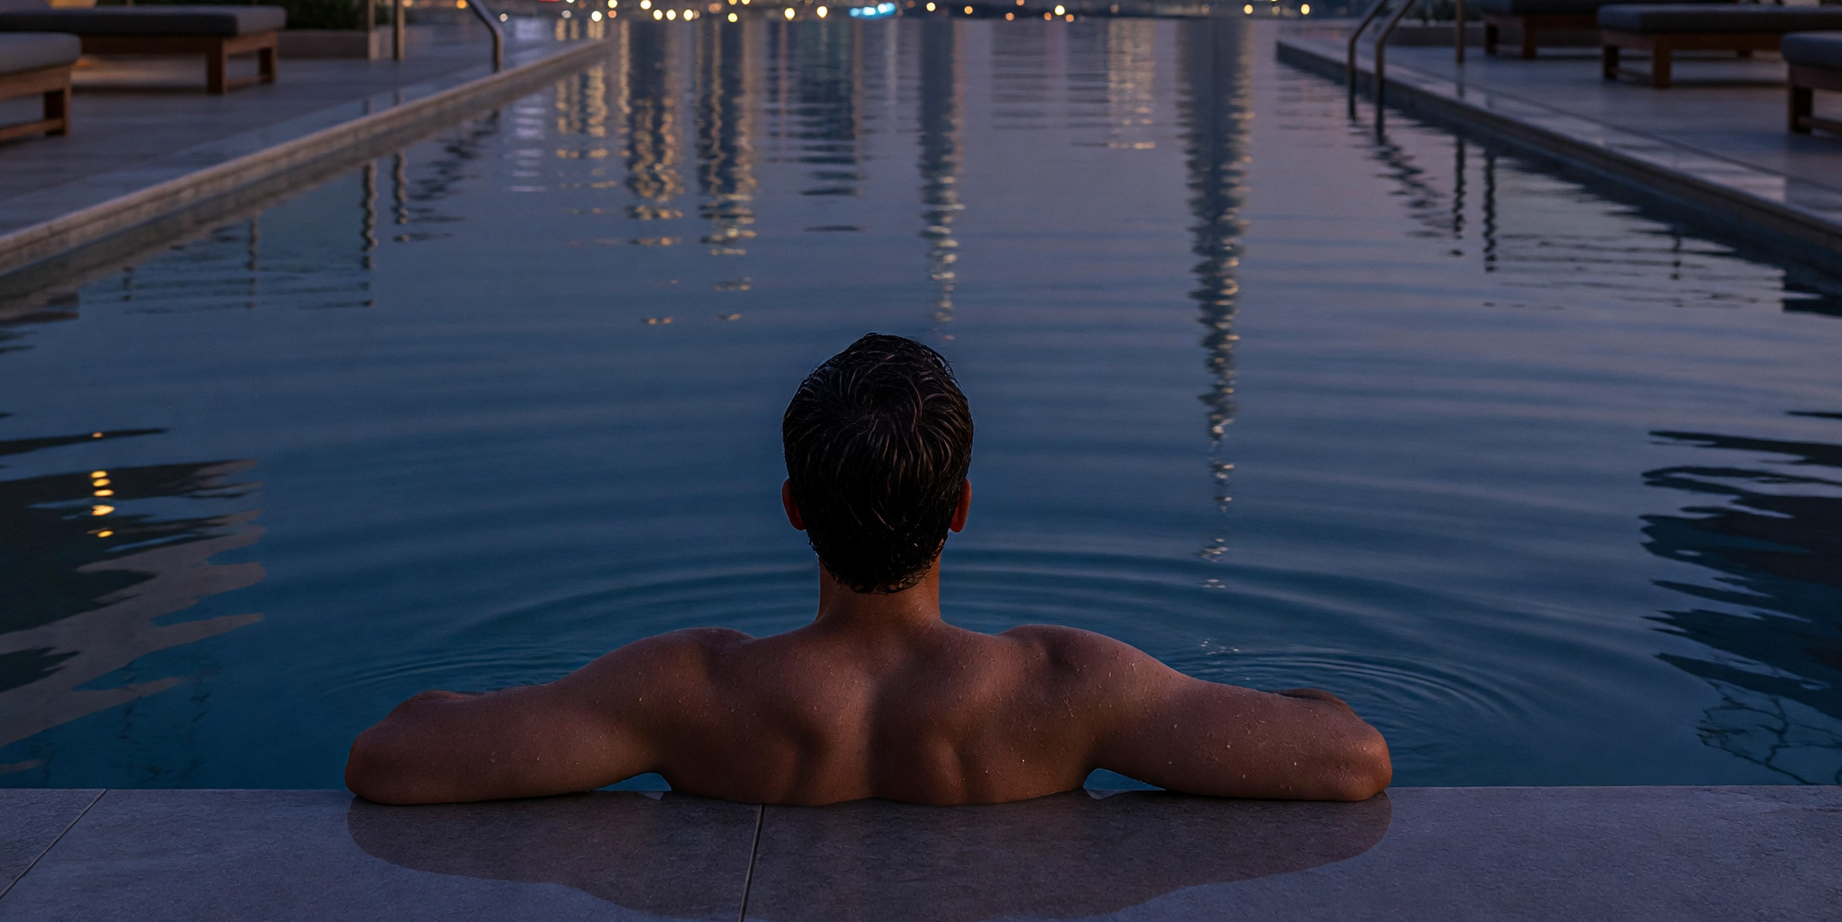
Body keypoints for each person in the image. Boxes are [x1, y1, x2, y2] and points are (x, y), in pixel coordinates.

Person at [346, 334, 1392, 806]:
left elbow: (394, 760)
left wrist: (433, 703)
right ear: (962, 511)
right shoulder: (1061, 691)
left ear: (793, 510)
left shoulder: (691, 693)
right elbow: (1347, 760)